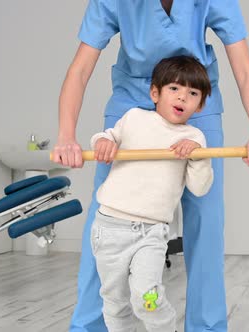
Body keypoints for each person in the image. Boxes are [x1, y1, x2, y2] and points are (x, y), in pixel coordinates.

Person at [52, 1, 249, 331]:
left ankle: (206, 326)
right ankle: (90, 326)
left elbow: (244, 68)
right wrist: (65, 135)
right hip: (133, 99)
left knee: (206, 220)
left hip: (194, 103)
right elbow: (80, 68)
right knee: (106, 213)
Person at [90, 55, 214, 332]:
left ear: (200, 104)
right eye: (174, 89)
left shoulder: (194, 138)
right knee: (114, 300)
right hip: (109, 227)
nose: (182, 97)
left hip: (152, 232)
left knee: (148, 296)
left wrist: (198, 157)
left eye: (192, 93)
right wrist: (102, 142)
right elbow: (106, 137)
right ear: (155, 93)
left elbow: (200, 187)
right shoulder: (134, 118)